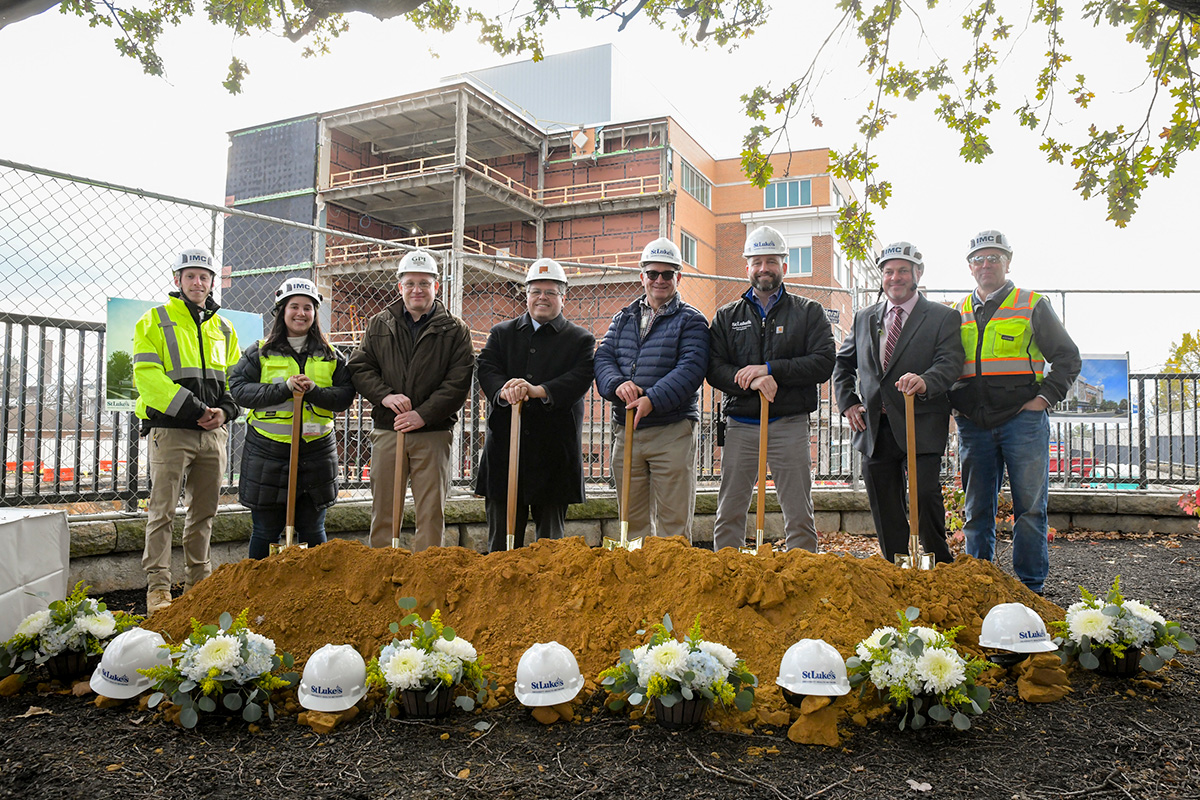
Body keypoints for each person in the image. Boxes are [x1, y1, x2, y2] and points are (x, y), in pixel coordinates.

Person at [950, 230, 1081, 594]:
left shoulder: (1031, 304)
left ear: (1008, 262)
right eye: (979, 259)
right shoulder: (956, 312)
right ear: (970, 267)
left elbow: (1068, 357)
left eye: (994, 258)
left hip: (1022, 421)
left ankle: (1030, 588)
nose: (986, 264)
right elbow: (946, 364)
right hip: (974, 425)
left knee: (1031, 509)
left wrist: (1045, 398)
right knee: (976, 510)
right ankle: (979, 584)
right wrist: (955, 407)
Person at [832, 241, 964, 563]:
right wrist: (848, 402)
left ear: (918, 273)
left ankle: (936, 560)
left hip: (920, 422)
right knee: (884, 500)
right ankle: (896, 562)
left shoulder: (942, 317)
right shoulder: (865, 318)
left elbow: (950, 361)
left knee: (925, 496)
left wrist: (925, 381)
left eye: (903, 270)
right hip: (876, 426)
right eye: (888, 271)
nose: (895, 277)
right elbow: (843, 364)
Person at [708, 225, 836, 553]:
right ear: (747, 267)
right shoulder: (726, 316)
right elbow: (714, 369)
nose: (764, 268)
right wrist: (752, 379)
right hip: (741, 425)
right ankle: (726, 573)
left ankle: (802, 576)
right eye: (757, 261)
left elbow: (823, 363)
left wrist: (770, 369)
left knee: (798, 511)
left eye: (772, 261)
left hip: (789, 424)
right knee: (730, 510)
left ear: (785, 266)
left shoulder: (809, 312)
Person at [132, 247, 240, 614]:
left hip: (213, 433)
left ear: (212, 282)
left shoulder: (224, 328)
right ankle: (159, 589)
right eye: (190, 276)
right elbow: (147, 378)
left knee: (204, 512)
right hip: (172, 431)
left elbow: (235, 381)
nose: (198, 282)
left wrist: (225, 412)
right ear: (176, 280)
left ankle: (199, 583)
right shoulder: (154, 321)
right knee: (161, 512)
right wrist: (195, 410)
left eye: (204, 277)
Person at [347, 250, 474, 551]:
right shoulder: (380, 324)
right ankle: (381, 569)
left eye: (424, 283)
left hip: (432, 433)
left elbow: (457, 383)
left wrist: (423, 414)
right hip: (389, 431)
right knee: (384, 510)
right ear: (399, 287)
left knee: (430, 512)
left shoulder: (455, 330)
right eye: (410, 283)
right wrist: (386, 396)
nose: (417, 289)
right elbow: (360, 367)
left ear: (436, 286)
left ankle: (426, 576)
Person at [475, 258, 596, 551]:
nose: (542, 297)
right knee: (501, 546)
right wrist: (505, 392)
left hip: (553, 453)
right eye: (536, 291)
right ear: (526, 294)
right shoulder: (502, 334)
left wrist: (538, 390)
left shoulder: (579, 339)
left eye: (551, 292)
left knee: (551, 549)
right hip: (506, 451)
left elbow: (580, 378)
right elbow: (486, 368)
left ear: (563, 297)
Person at [229, 277, 356, 558]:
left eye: (308, 307)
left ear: (315, 313)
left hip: (317, 453)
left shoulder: (331, 355)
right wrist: (283, 389)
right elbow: (239, 390)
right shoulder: (259, 352)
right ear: (281, 311)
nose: (301, 313)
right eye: (294, 306)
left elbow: (345, 395)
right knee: (265, 530)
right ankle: (257, 592)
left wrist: (314, 392)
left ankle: (315, 593)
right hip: (268, 452)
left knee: (313, 530)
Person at [594, 237, 710, 540]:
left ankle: (674, 582)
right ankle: (637, 583)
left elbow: (691, 369)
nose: (660, 280)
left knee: (673, 519)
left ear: (678, 277)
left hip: (671, 430)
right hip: (627, 430)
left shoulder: (691, 321)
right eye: (653, 273)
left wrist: (652, 400)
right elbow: (604, 358)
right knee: (630, 522)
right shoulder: (623, 318)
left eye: (668, 274)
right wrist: (618, 384)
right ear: (642, 275)